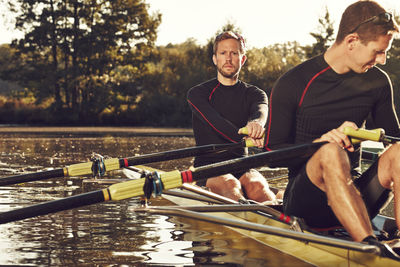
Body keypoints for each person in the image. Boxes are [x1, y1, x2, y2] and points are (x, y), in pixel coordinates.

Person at [264, 0, 400, 252]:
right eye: (378, 52)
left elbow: (396, 140)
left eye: (385, 52)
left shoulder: (378, 82)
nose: (381, 60)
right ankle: (370, 248)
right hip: (306, 203)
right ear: (351, 42)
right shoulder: (293, 83)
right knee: (330, 151)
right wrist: (319, 145)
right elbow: (271, 154)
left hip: (358, 194)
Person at [187, 31, 276, 203]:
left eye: (234, 53)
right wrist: (246, 135)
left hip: (242, 163)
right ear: (215, 59)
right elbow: (217, 123)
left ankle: (283, 220)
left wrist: (256, 125)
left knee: (257, 186)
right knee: (230, 184)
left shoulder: (256, 93)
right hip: (208, 166)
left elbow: (260, 112)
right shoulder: (198, 93)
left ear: (242, 59)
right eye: (223, 53)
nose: (228, 59)